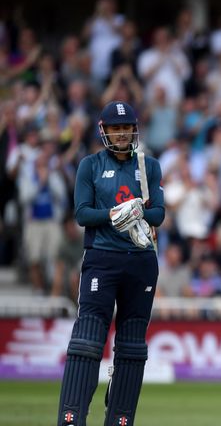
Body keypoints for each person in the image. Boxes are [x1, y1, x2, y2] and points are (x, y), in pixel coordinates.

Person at [56, 101, 164, 426]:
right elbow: (81, 214)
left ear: (135, 129)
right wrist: (115, 215)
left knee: (132, 345)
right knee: (88, 339)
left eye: (127, 127)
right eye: (115, 128)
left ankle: (120, 418)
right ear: (104, 130)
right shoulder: (90, 165)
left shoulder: (148, 166)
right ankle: (72, 417)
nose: (121, 133)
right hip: (101, 259)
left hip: (141, 261)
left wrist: (139, 211)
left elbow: (158, 212)